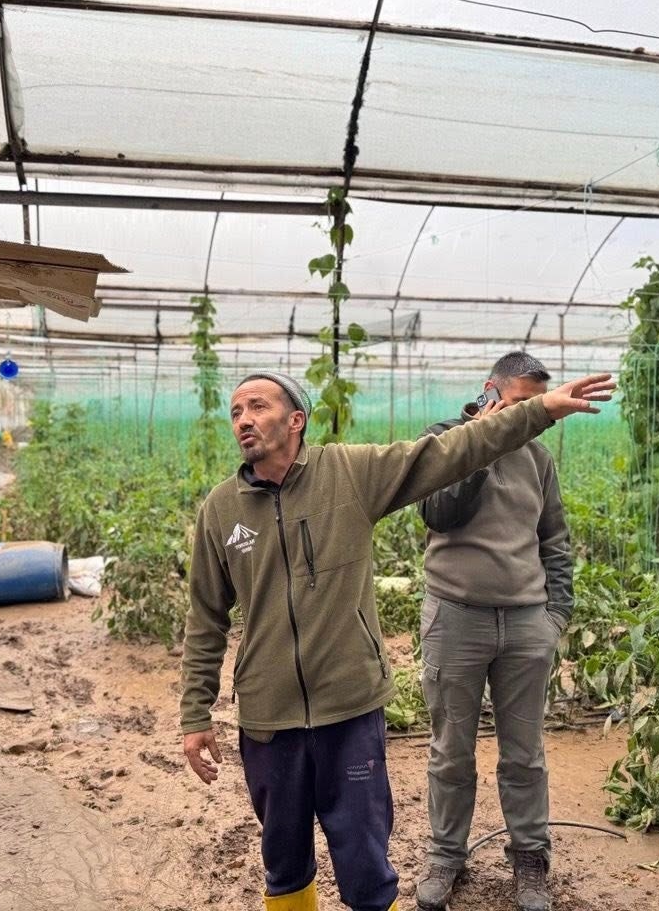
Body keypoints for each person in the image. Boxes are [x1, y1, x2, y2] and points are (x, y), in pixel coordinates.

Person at [180, 368, 614, 911]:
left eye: (258, 407)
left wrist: (540, 410)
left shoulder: (349, 474)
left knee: (364, 855)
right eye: (236, 412)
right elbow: (205, 618)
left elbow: (450, 452)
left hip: (350, 706)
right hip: (269, 716)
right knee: (283, 858)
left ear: (296, 420)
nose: (244, 419)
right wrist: (195, 714)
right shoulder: (221, 509)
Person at [413, 352, 572, 911]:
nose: (533, 416)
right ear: (490, 392)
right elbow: (439, 514)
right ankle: (446, 857)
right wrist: (481, 445)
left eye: (540, 407)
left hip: (526, 624)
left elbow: (554, 540)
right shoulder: (443, 440)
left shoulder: (540, 459)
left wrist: (554, 617)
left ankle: (530, 861)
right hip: (455, 619)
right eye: (524, 404)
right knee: (450, 752)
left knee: (524, 755)